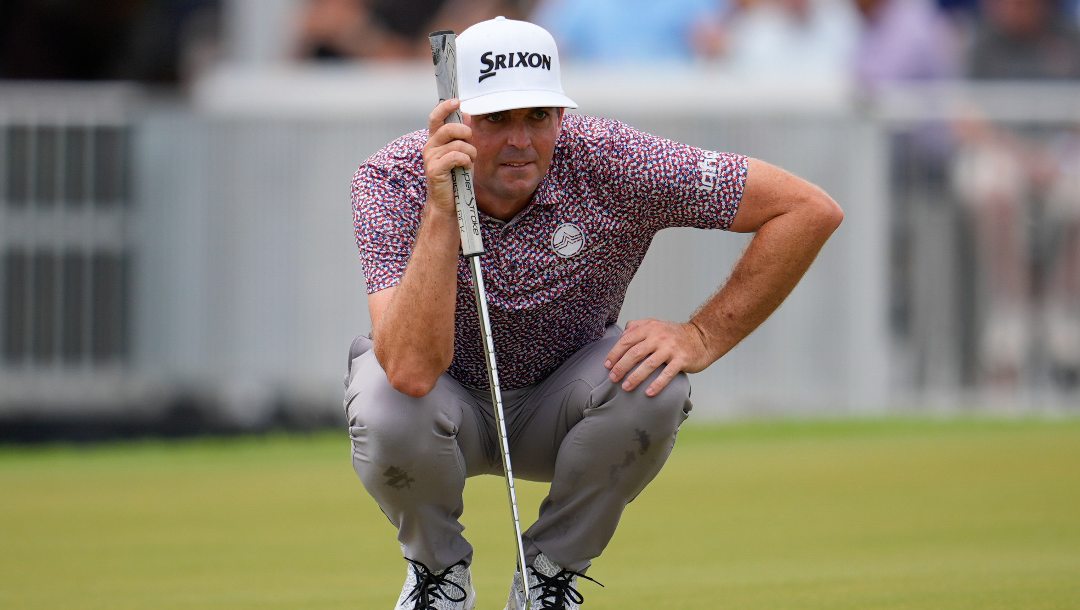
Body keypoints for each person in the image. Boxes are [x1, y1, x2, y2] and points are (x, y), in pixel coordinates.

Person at [345, 16, 843, 610]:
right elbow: (408, 370)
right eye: (496, 120)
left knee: (654, 384)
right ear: (457, 121)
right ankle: (437, 576)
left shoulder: (615, 158)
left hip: (565, 402)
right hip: (444, 401)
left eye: (538, 117)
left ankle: (550, 576)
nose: (520, 141)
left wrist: (703, 334)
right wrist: (440, 211)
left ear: (562, 115)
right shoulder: (389, 179)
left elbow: (806, 209)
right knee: (383, 400)